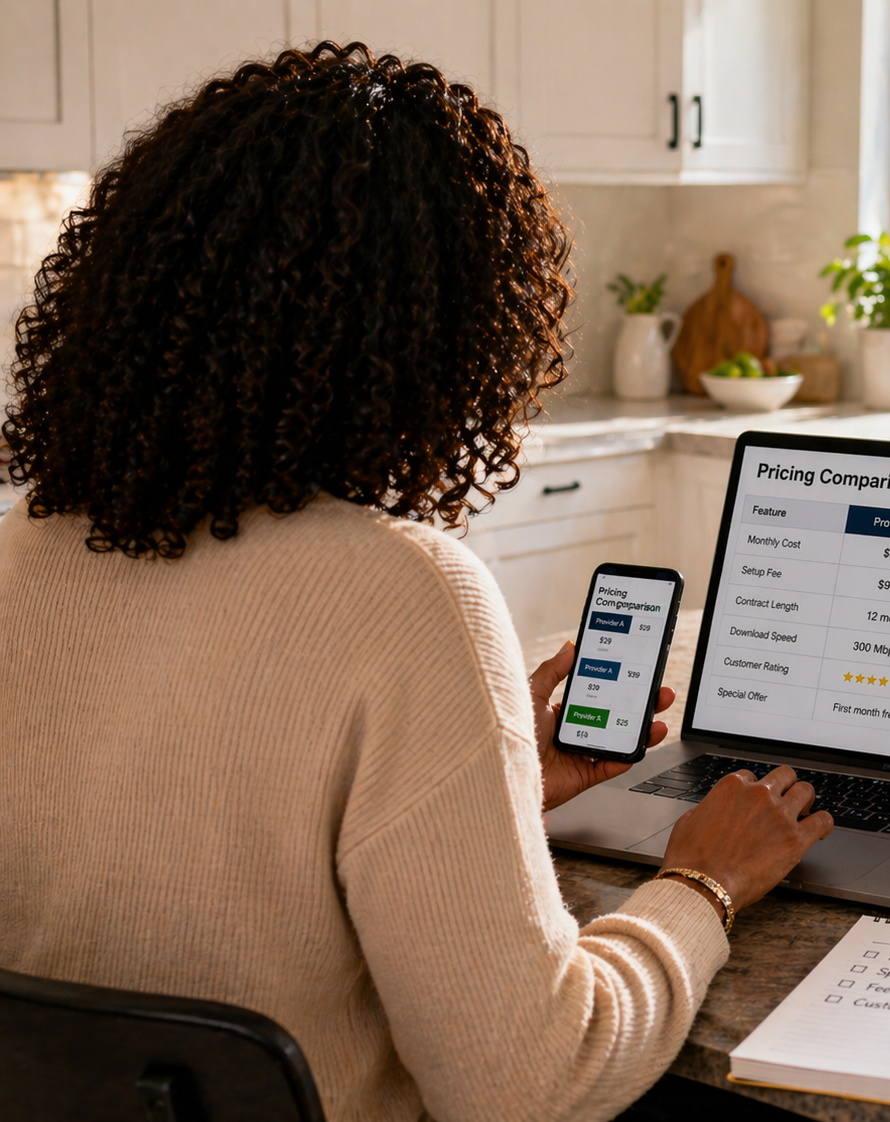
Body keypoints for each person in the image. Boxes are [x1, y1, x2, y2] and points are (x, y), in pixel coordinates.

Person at [0, 42, 831, 1122]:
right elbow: (530, 1082)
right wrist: (702, 886)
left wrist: (486, 795)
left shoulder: (25, 549)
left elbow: (182, 864)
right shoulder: (406, 594)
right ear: (448, 336)